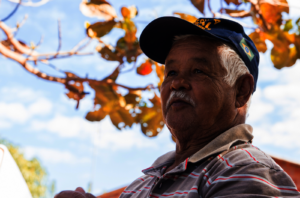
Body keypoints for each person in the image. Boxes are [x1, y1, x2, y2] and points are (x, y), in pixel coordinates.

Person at [54, 17, 300, 198]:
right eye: (171, 72)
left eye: (198, 71)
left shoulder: (247, 171)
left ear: (241, 91)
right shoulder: (141, 184)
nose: (177, 83)